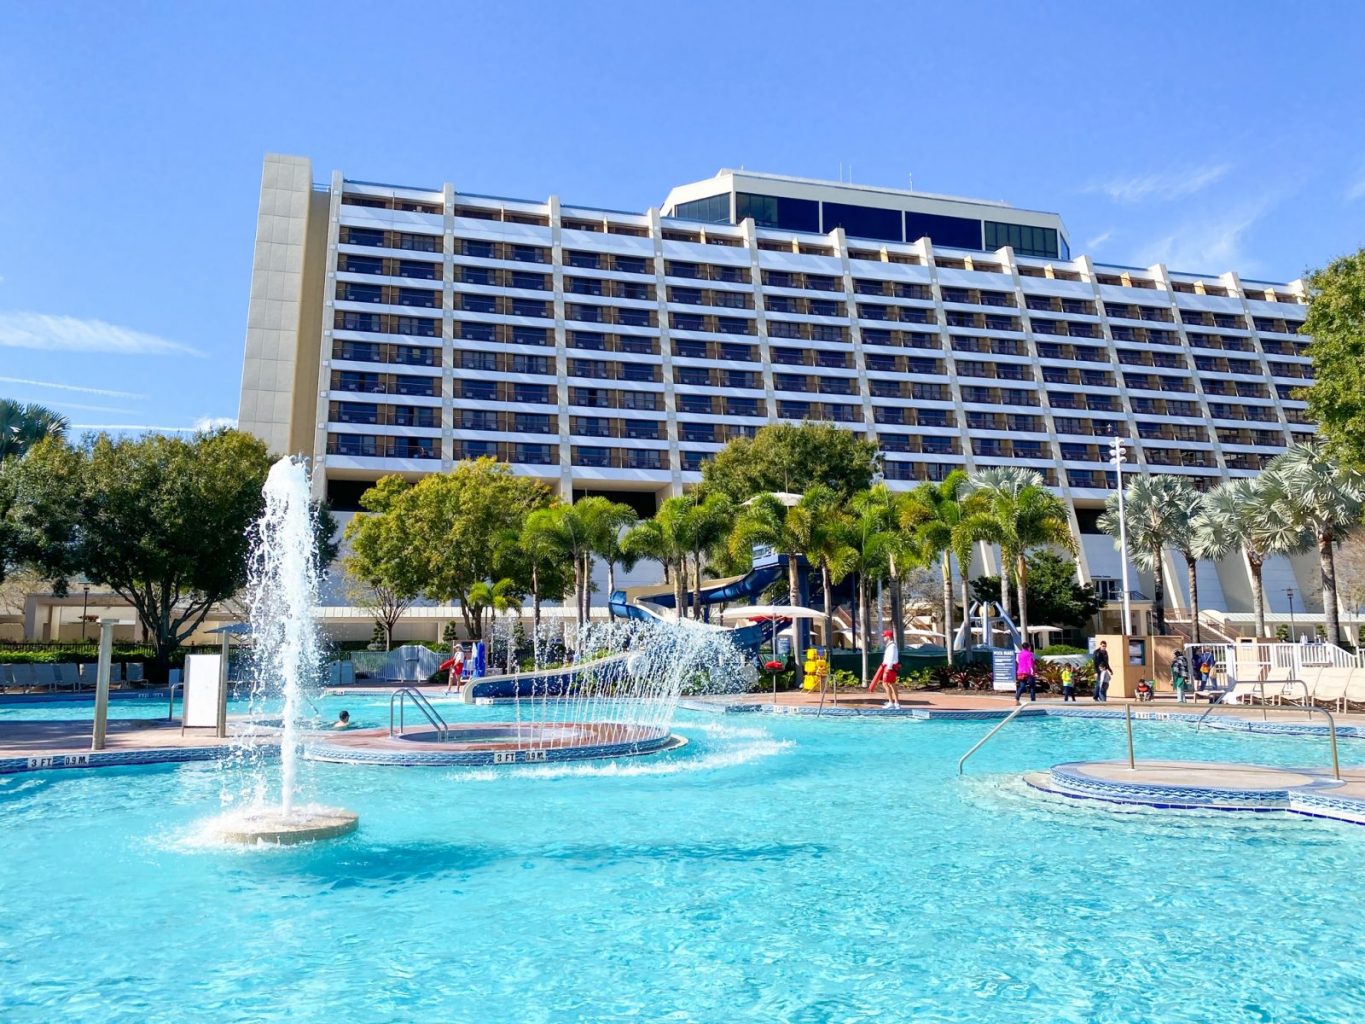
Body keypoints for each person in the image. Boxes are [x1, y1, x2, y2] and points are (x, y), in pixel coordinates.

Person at [868, 629, 901, 709]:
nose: (884, 638)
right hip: (890, 667)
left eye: (885, 636)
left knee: (885, 684)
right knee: (891, 684)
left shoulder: (892, 646)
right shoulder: (891, 645)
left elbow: (891, 657)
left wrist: (888, 668)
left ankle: (891, 702)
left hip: (890, 667)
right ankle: (896, 703)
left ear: (888, 637)